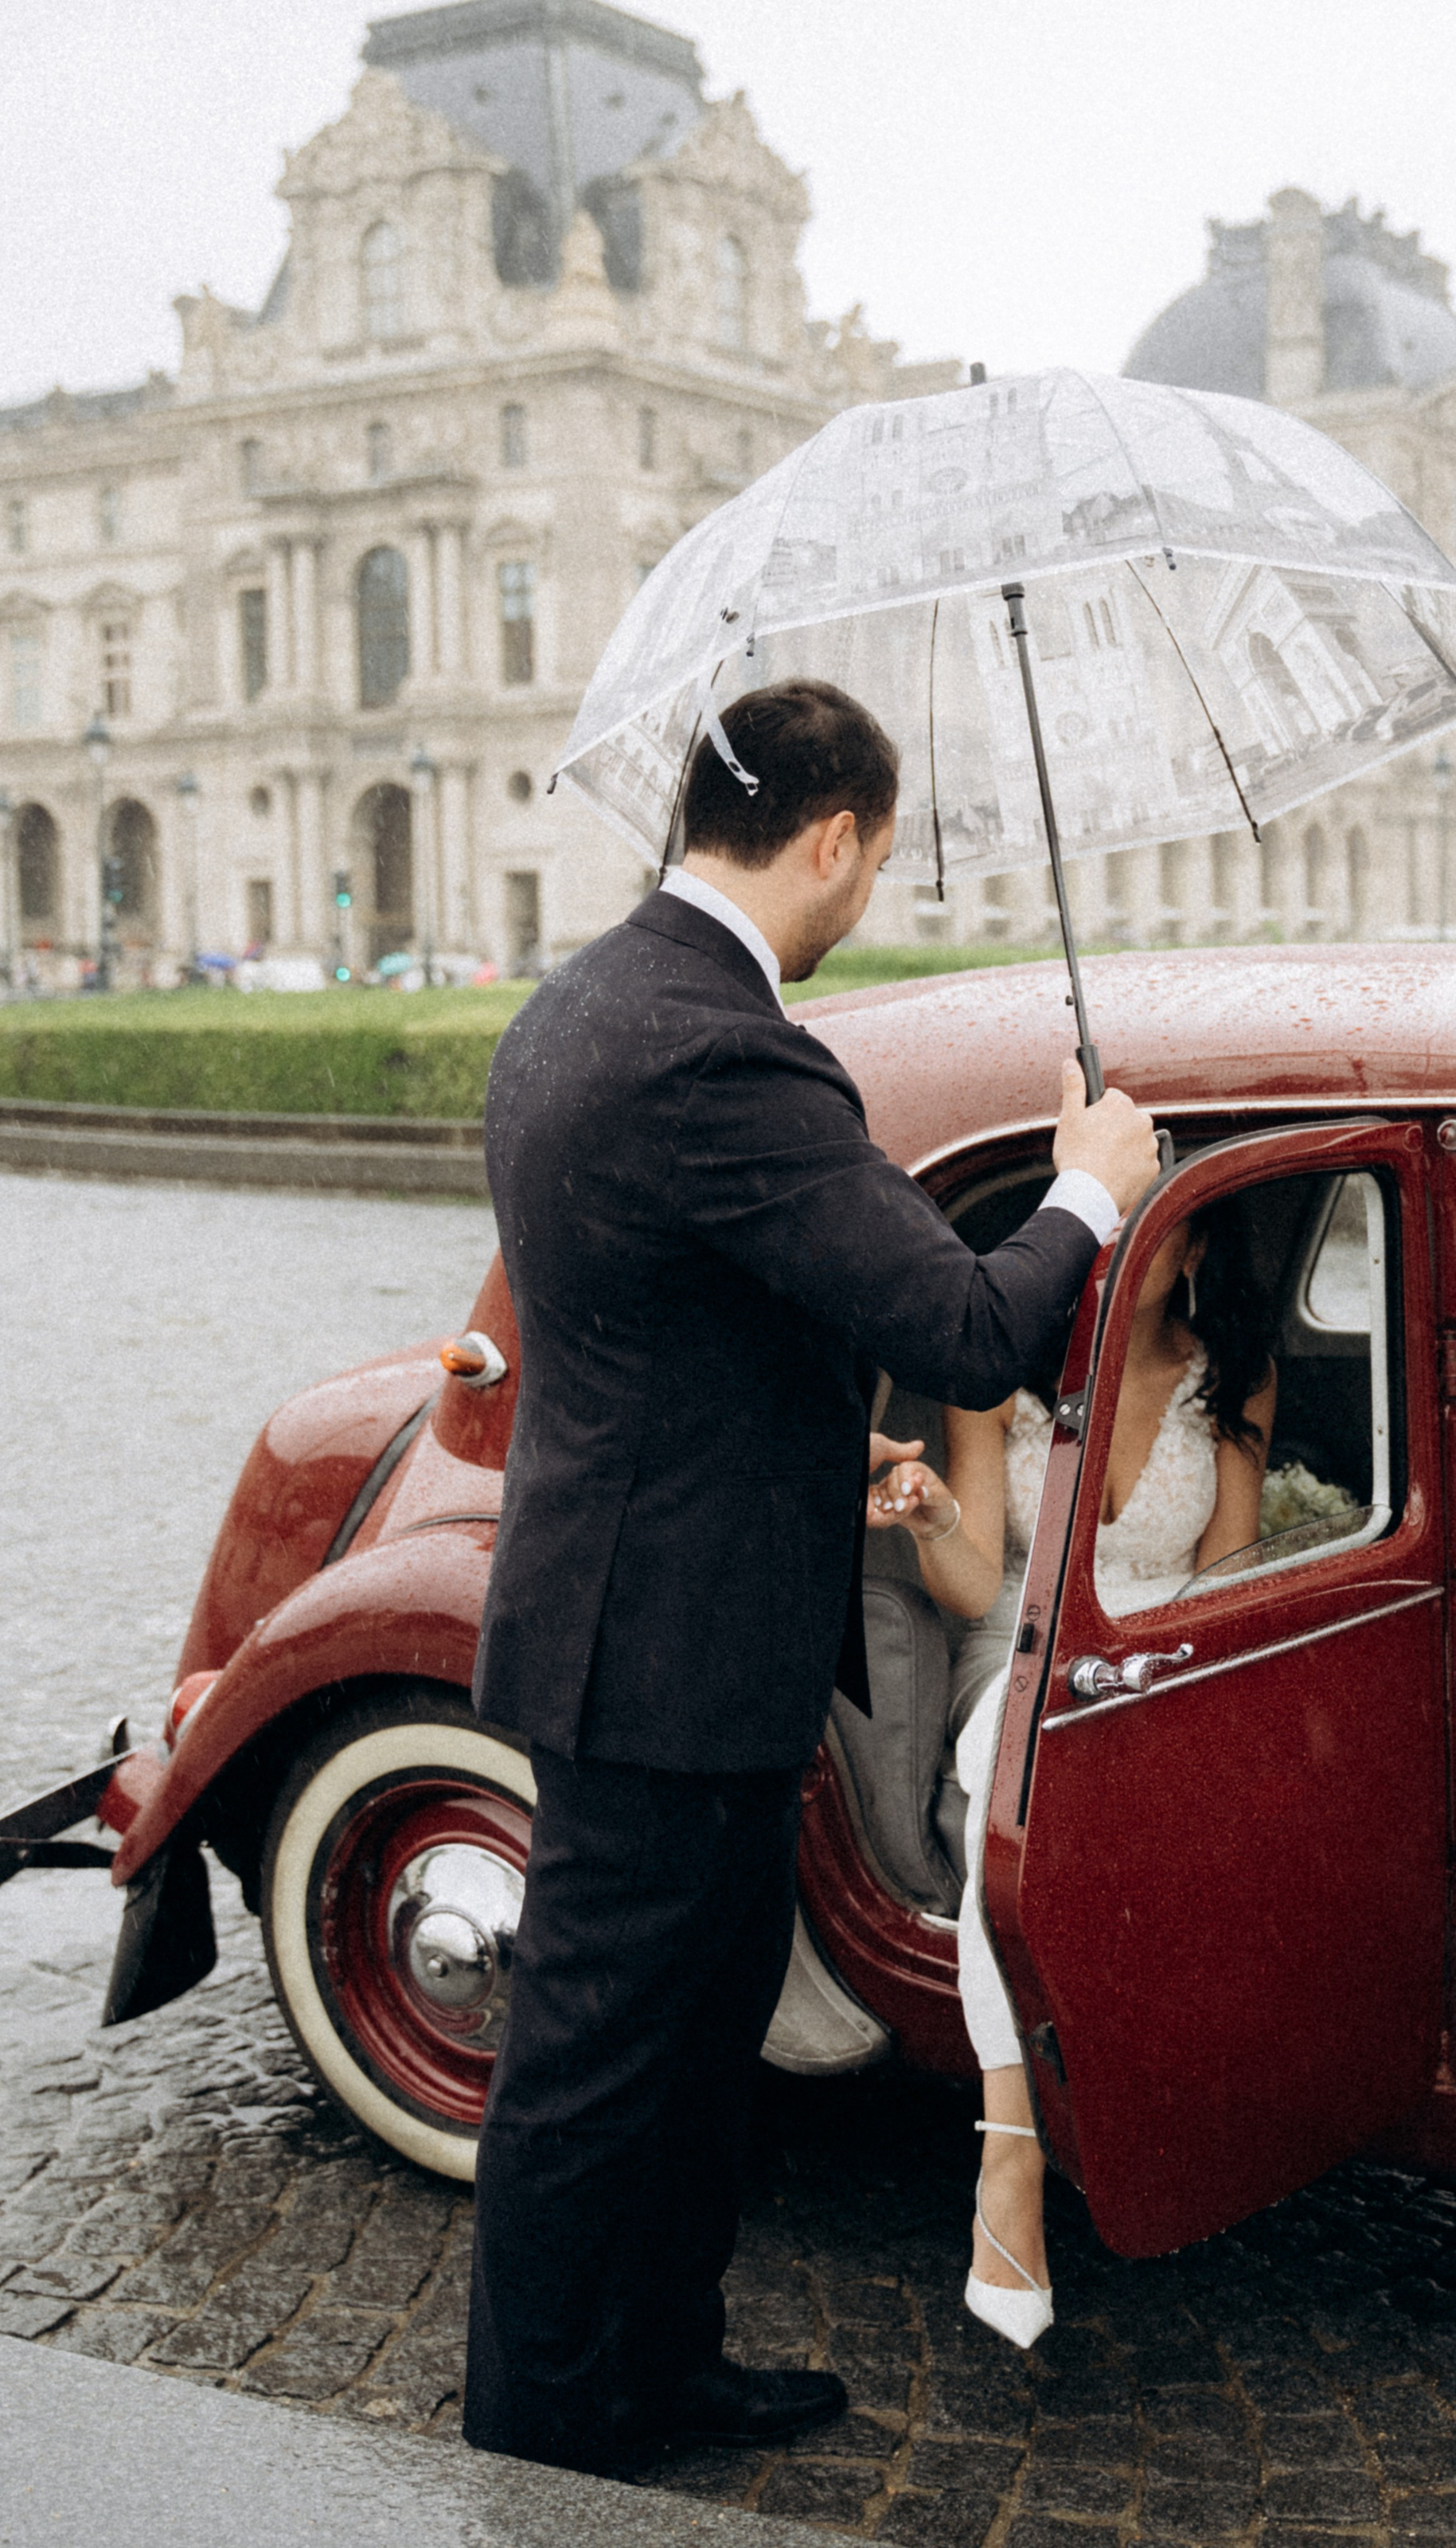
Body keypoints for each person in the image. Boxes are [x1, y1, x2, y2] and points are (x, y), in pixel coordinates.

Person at [463, 678, 1158, 2476]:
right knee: (603, 2060)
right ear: (834, 837)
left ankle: (656, 2363)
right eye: (880, 854)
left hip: (647, 1601)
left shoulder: (587, 1000)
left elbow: (638, 1324)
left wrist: (809, 1452)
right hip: (666, 1649)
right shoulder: (722, 1044)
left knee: (686, 2048)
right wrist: (1084, 1191)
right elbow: (963, 1327)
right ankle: (541, 2422)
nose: (875, 888)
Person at [867, 1194, 1275, 2345]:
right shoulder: (993, 1369)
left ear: (1191, 1250)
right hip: (1018, 1650)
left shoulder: (1233, 1375)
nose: (1110, 1258)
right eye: (1094, 1234)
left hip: (1159, 1654)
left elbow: (1229, 1574)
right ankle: (1012, 2162)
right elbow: (966, 1585)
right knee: (1023, 1779)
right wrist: (936, 1514)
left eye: (1148, 1235)